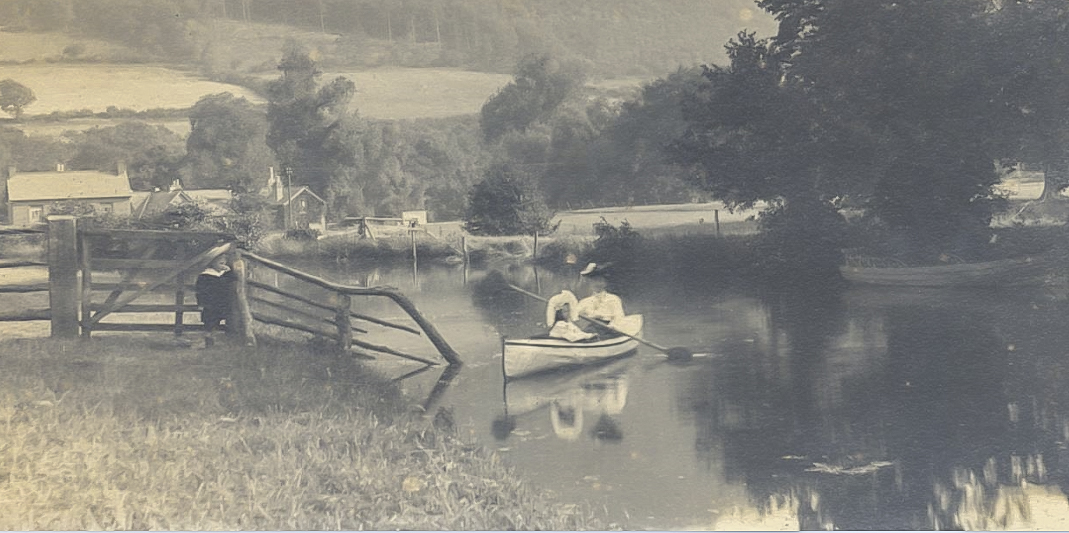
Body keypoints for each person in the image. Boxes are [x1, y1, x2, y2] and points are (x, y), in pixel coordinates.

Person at [195, 254, 235, 347]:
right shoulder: (205, 276)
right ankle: (208, 341)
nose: (223, 264)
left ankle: (218, 339)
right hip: (209, 303)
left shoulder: (224, 274)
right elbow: (200, 290)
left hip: (221, 302)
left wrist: (228, 271)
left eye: (224, 262)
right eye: (220, 262)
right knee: (209, 322)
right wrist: (201, 303)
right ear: (212, 263)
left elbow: (232, 279)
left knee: (219, 320)